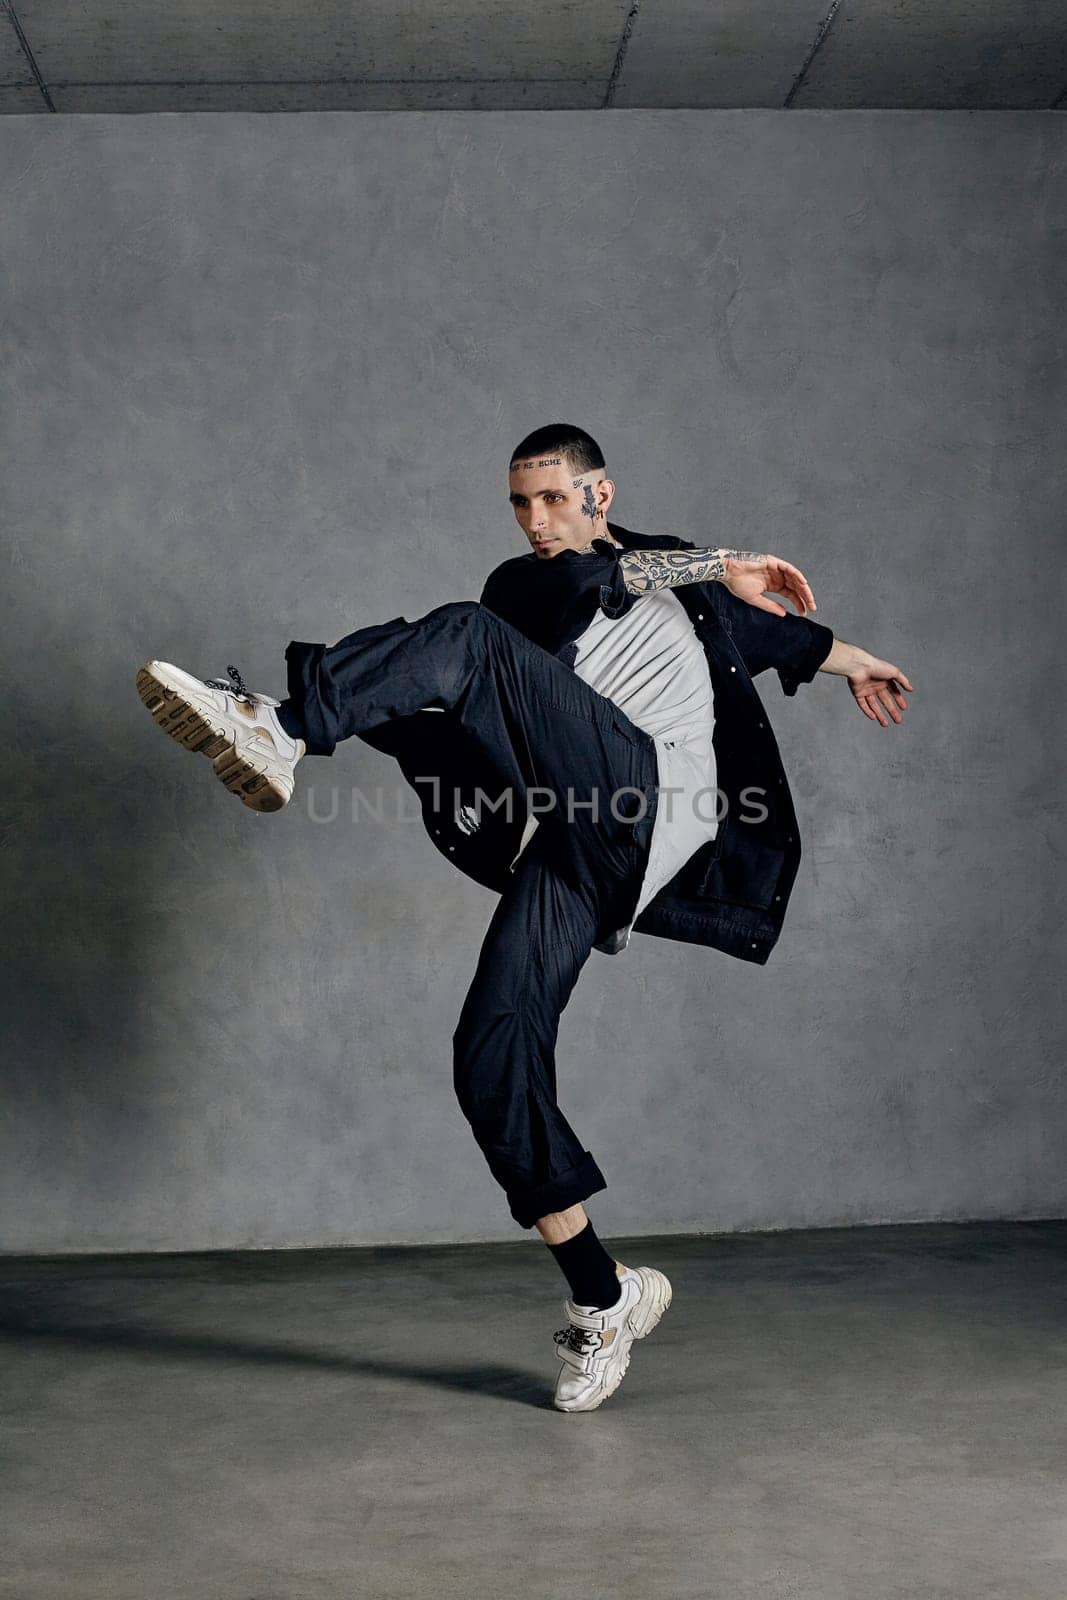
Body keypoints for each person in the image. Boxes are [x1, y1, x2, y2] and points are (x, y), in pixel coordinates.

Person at [135, 423, 913, 1412]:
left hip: (651, 808)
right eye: (519, 502)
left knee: (457, 636)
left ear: (599, 493)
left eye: (552, 499)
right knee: (489, 1052)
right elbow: (586, 594)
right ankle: (605, 1297)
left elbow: (793, 635)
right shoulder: (526, 585)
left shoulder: (692, 593)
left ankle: (279, 730)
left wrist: (863, 662)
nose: (534, 520)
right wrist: (719, 559)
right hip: (576, 841)